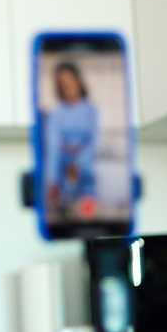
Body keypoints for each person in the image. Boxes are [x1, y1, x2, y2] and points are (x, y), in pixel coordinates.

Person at [45, 62, 99, 218]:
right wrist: (53, 181)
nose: (67, 86)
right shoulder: (56, 114)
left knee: (87, 214)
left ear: (78, 81)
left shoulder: (91, 111)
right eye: (62, 83)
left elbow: (93, 142)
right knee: (64, 212)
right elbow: (53, 147)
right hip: (62, 173)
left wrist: (78, 164)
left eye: (70, 81)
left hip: (86, 172)